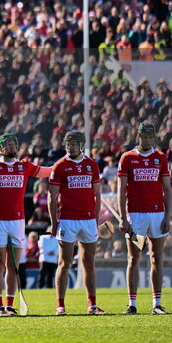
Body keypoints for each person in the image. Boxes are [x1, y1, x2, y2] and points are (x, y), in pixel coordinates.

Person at [0, 133, 51, 316]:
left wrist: (65, 163)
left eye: (13, 144)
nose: (11, 147)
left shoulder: (23, 166)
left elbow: (46, 171)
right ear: (0, 148)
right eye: (7, 144)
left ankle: (9, 305)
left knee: (14, 265)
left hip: (18, 221)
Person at [118, 121, 172, 315]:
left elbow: (167, 189)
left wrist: (168, 216)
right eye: (144, 136)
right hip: (135, 215)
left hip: (157, 214)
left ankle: (157, 304)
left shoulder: (161, 158)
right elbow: (121, 189)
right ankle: (132, 304)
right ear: (138, 137)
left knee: (157, 257)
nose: (147, 140)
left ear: (154, 138)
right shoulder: (127, 158)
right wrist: (123, 218)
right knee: (134, 258)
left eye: (150, 137)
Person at [49, 130, 105, 316]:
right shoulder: (60, 166)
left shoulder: (91, 165)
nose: (70, 147)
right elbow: (52, 197)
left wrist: (96, 221)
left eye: (73, 144)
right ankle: (60, 306)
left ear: (81, 145)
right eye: (67, 144)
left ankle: (92, 305)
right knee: (64, 263)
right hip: (67, 220)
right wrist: (54, 222)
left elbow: (97, 196)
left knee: (88, 262)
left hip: (88, 220)